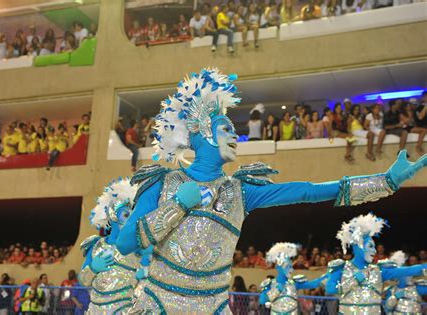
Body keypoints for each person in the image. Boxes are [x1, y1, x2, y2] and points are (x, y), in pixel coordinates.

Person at [116, 68, 426, 314]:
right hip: (159, 306)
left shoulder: (240, 190)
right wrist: (178, 206)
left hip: (214, 308)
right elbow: (126, 243)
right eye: (226, 127)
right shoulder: (164, 183)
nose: (235, 133)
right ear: (204, 132)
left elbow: (308, 192)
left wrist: (385, 182)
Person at [326, 214, 427, 314]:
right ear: (359, 246)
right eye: (370, 246)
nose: (374, 251)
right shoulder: (341, 267)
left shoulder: (379, 270)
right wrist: (354, 280)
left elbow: (408, 270)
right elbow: (330, 289)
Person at [79, 178, 150, 313]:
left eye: (133, 214)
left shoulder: (140, 247)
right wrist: (93, 269)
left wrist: (144, 274)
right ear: (112, 215)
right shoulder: (95, 245)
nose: (129, 219)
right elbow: (83, 281)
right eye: (125, 214)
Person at [260, 243, 327, 314]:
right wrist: (276, 291)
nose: (291, 270)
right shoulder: (270, 284)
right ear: (279, 267)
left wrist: (326, 277)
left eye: (291, 267)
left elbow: (313, 284)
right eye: (288, 267)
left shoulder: (294, 283)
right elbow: (262, 300)